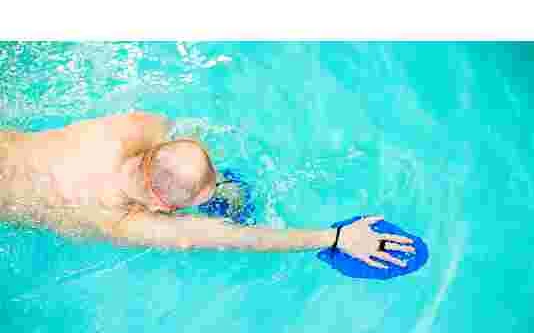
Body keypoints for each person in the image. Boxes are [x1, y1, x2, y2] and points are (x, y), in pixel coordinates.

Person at [0, 112, 414, 269]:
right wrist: (336, 237)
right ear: (161, 205)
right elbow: (237, 238)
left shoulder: (129, 130)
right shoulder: (119, 220)